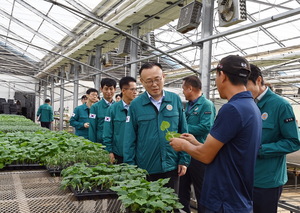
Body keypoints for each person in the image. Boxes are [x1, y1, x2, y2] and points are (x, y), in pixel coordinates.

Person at [169, 55, 262, 212]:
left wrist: (183, 145)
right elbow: (228, 151)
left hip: (223, 200)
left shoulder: (231, 109)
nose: (216, 82)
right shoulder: (251, 107)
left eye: (216, 77)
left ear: (223, 76)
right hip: (237, 197)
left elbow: (206, 156)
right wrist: (196, 143)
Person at [123, 62, 190, 193]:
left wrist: (184, 159)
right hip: (145, 167)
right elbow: (129, 138)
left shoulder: (175, 100)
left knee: (170, 205)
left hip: (171, 165)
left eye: (157, 79)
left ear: (163, 77)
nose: (154, 84)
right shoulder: (136, 104)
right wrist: (130, 167)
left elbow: (183, 131)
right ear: (142, 82)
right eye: (149, 81)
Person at [246, 64, 300, 213]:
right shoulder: (247, 104)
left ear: (258, 80)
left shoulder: (280, 105)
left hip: (267, 181)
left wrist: (260, 150)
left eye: (246, 85)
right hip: (245, 177)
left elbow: (294, 142)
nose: (243, 91)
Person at [179, 76, 216, 213]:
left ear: (190, 88)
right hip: (185, 153)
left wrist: (183, 129)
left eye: (183, 88)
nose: (182, 91)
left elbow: (206, 126)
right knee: (183, 188)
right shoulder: (188, 105)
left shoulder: (206, 104)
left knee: (201, 189)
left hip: (199, 152)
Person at [103, 77, 137, 164]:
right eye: (132, 89)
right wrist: (109, 151)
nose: (135, 92)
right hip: (119, 154)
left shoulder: (139, 109)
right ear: (123, 91)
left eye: (136, 89)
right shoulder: (112, 110)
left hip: (137, 154)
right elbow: (107, 133)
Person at [89, 78, 117, 143]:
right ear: (101, 89)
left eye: (111, 89)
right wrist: (93, 146)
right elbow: (92, 128)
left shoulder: (118, 107)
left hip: (115, 143)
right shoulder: (95, 107)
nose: (109, 92)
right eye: (106, 89)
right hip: (101, 143)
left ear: (115, 89)